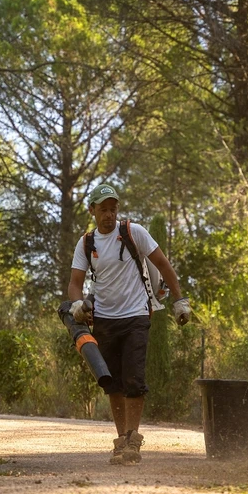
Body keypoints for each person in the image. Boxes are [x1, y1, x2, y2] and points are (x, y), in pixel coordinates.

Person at [67, 183, 191, 465]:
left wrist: (179, 300)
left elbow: (163, 265)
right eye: (103, 210)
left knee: (134, 379)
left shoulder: (134, 232)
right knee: (113, 384)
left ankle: (133, 440)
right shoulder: (86, 243)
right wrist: (76, 305)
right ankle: (121, 439)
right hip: (105, 319)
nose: (109, 215)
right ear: (92, 211)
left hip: (136, 315)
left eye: (113, 209)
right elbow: (75, 284)